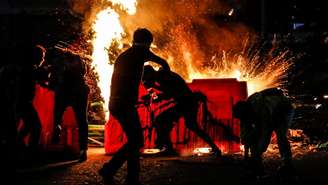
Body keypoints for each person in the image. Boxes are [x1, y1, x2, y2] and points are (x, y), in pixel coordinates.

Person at [99, 28, 170, 185]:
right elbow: (163, 62)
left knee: (134, 140)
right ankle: (111, 170)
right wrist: (166, 76)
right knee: (136, 140)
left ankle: (130, 177)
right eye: (149, 44)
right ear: (146, 43)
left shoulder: (126, 55)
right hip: (123, 104)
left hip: (118, 103)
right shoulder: (140, 52)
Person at [142, 65, 222, 156]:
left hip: (187, 103)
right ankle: (215, 148)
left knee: (162, 120)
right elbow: (160, 94)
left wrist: (155, 92)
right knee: (189, 125)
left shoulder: (164, 76)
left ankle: (169, 149)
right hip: (184, 103)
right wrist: (152, 92)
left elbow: (170, 93)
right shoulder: (161, 76)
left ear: (150, 74)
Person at [232, 88, 295, 178]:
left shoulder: (261, 110)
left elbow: (266, 135)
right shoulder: (245, 110)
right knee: (253, 135)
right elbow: (245, 132)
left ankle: (287, 164)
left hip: (284, 110)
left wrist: (257, 154)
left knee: (280, 134)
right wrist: (246, 152)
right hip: (272, 110)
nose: (244, 120)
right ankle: (258, 166)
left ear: (247, 112)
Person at [51, 52, 90, 162]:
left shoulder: (58, 61)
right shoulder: (79, 60)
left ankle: (57, 126)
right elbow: (84, 72)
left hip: (62, 91)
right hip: (79, 91)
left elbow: (53, 78)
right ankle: (83, 150)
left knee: (58, 113)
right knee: (82, 121)